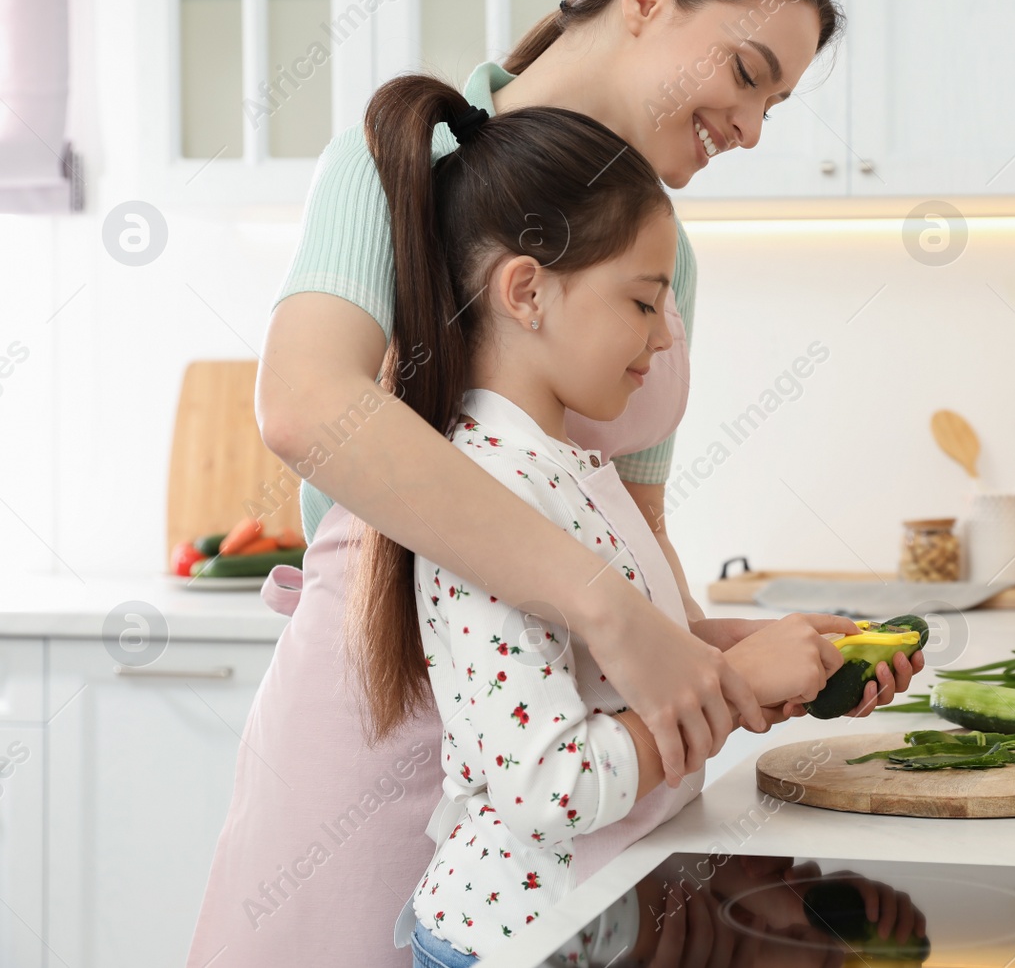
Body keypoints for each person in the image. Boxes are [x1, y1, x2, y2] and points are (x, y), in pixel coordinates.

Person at [187, 0, 921, 965]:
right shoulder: (398, 163)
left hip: (586, 789)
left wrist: (712, 656)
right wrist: (612, 614)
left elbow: (632, 524)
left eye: (777, 102)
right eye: (749, 73)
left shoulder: (672, 259)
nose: (753, 127)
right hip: (378, 726)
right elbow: (308, 405)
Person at [356, 77, 853, 966]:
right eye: (641, 300)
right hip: (515, 942)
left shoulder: (569, 462)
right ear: (527, 291)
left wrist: (754, 646)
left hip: (596, 926)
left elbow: (611, 665)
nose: (665, 337)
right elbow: (554, 781)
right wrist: (735, 682)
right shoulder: (485, 490)